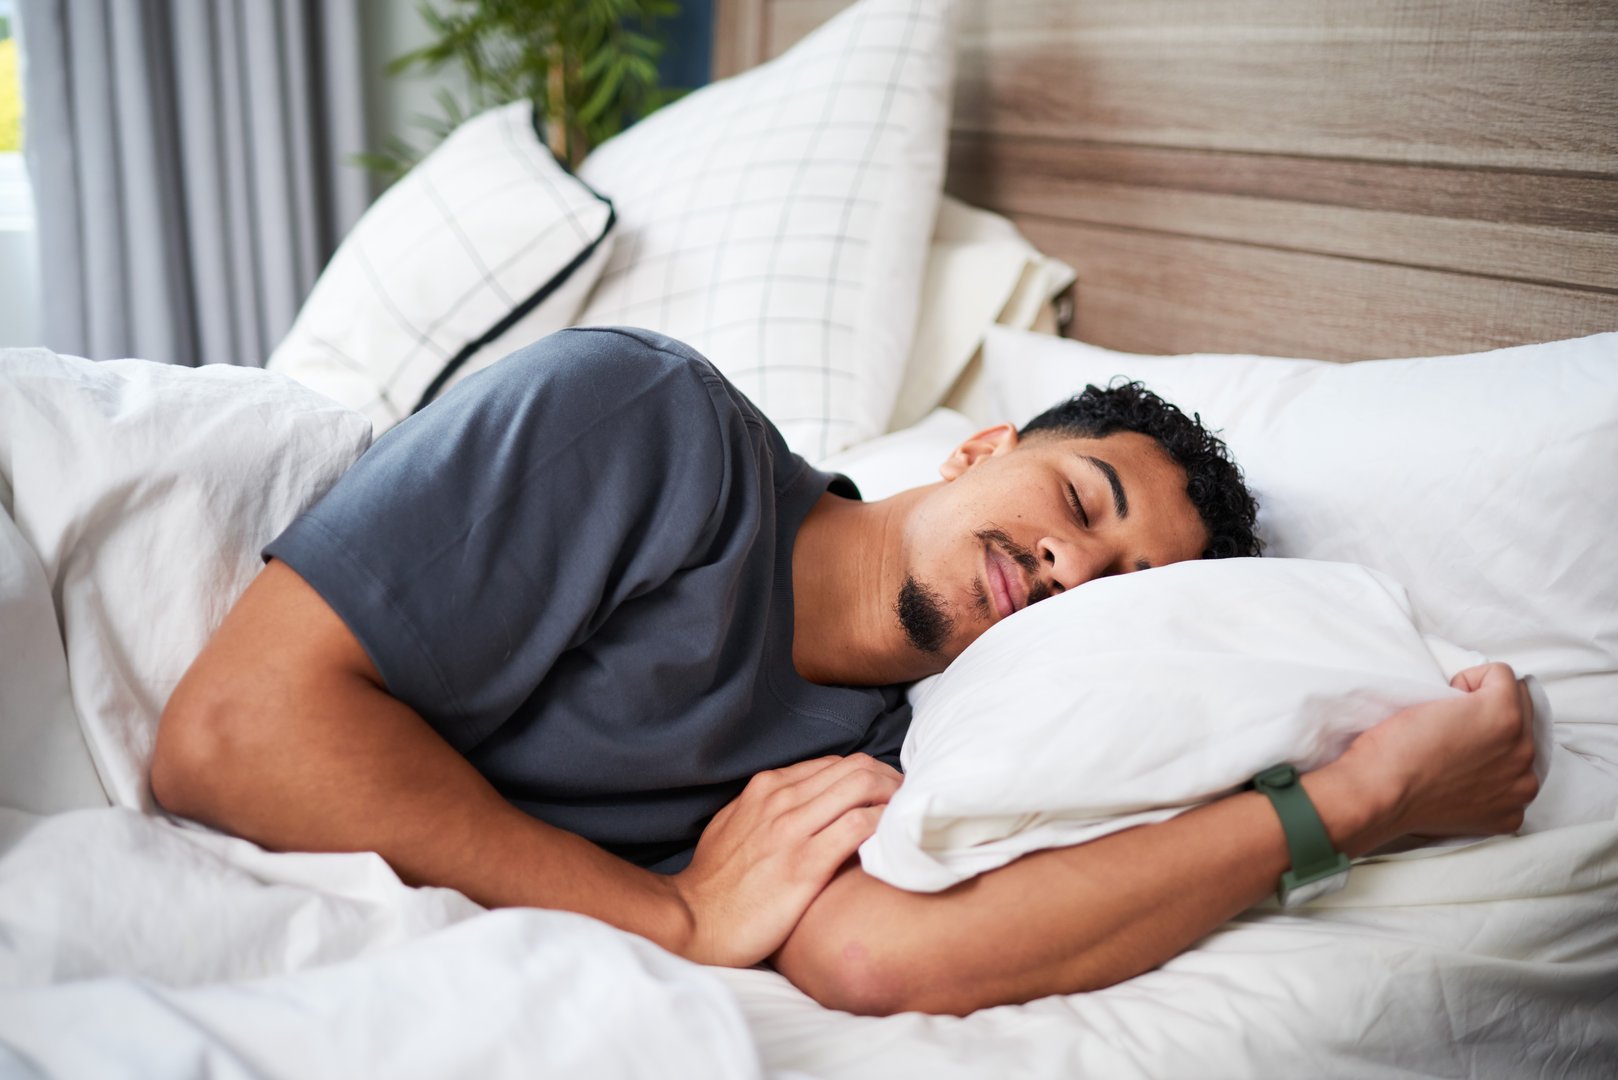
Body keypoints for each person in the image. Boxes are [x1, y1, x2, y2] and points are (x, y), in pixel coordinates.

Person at [151, 327, 1539, 1016]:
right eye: (1082, 500)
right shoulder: (648, 424)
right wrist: (672, 920)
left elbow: (876, 951)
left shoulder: (900, 742)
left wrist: (1352, 807)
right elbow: (227, 733)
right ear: (980, 446)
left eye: (1118, 592)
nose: (1068, 565)